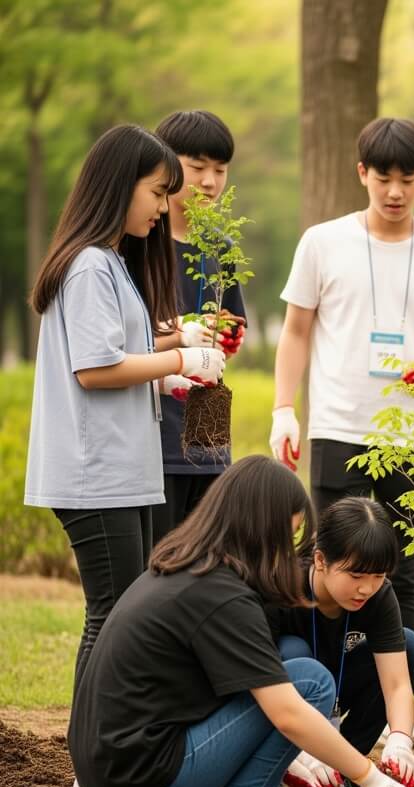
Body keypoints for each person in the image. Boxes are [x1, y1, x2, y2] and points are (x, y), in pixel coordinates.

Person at [67, 456, 414, 787]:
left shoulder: (185, 567)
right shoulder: (225, 595)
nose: (290, 549)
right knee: (309, 682)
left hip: (114, 785)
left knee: (289, 680)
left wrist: (294, 761)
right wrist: (373, 778)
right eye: (288, 534)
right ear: (261, 526)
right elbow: (287, 712)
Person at [23, 124, 227, 787]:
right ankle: (93, 769)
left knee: (120, 616)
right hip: (94, 473)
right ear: (119, 185)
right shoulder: (86, 265)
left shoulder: (110, 262)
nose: (163, 206)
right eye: (157, 190)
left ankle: (98, 762)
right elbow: (96, 367)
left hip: (121, 470)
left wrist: (177, 339)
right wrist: (179, 361)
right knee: (110, 618)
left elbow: (123, 345)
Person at [269, 117, 414, 635]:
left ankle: (394, 698)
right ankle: (326, 683)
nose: (394, 191)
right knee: (328, 563)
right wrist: (283, 410)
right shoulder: (322, 242)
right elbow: (296, 331)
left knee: (402, 571)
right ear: (361, 172)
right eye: (383, 178)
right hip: (339, 427)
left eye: (407, 179)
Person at [268, 497, 414, 787]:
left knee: (412, 650)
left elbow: (396, 685)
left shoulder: (377, 596)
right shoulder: (282, 587)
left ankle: (347, 771)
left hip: (339, 686)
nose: (366, 588)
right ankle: (274, 772)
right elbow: (255, 683)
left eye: (378, 576)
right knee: (295, 651)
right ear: (319, 560)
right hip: (284, 696)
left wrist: (400, 740)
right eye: (355, 576)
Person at [150, 109, 248, 544]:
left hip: (209, 432)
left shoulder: (221, 247)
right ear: (166, 166)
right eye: (197, 167)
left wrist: (227, 334)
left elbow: (231, 328)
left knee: (203, 558)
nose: (210, 181)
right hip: (155, 434)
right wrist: (187, 329)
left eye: (220, 169)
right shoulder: (141, 242)